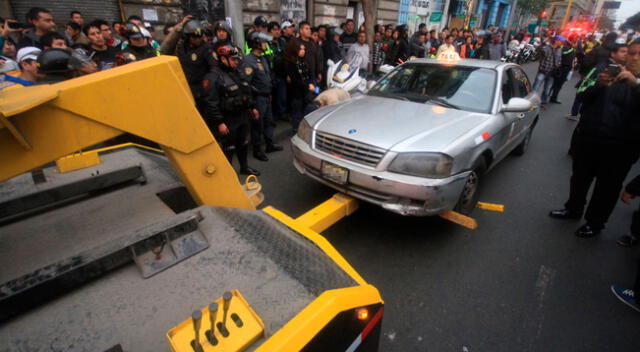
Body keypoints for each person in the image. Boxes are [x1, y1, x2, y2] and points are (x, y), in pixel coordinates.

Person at [549, 40, 640, 238]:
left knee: (606, 189)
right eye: (630, 53)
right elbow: (581, 94)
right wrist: (599, 85)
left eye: (637, 54)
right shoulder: (603, 70)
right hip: (589, 139)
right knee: (579, 179)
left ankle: (595, 222)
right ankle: (573, 209)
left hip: (621, 149)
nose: (632, 58)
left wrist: (635, 85)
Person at [202, 44, 260, 176]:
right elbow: (211, 103)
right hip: (227, 119)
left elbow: (245, 92)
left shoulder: (235, 72)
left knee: (243, 142)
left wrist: (252, 108)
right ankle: (228, 174)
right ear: (223, 59)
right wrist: (219, 122)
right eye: (233, 59)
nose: (236, 62)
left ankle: (244, 167)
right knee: (229, 147)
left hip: (241, 115)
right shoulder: (212, 77)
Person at [241, 31, 282, 161]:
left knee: (269, 122)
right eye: (263, 42)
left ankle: (269, 144)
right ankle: (257, 150)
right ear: (256, 43)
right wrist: (252, 104)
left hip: (266, 97)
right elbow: (246, 83)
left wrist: (268, 93)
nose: (265, 44)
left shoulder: (262, 58)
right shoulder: (248, 60)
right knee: (257, 124)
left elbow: (266, 77)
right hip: (257, 98)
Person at [160, 17, 214, 111]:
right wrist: (179, 27)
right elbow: (164, 50)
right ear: (187, 36)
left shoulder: (207, 49)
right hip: (183, 89)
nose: (197, 39)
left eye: (199, 36)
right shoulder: (180, 47)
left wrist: (208, 84)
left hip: (202, 93)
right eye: (194, 37)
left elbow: (214, 68)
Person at [285, 40, 316, 134]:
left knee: (307, 113)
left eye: (304, 49)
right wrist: (307, 86)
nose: (303, 51)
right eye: (300, 49)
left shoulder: (304, 62)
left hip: (306, 92)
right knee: (297, 113)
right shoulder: (292, 64)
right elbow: (295, 80)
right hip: (297, 93)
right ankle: (296, 131)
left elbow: (309, 74)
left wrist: (311, 83)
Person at [532, 36, 561, 105]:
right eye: (560, 41)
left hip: (552, 73)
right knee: (535, 87)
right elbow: (538, 50)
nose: (561, 43)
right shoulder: (547, 48)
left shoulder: (559, 50)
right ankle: (531, 101)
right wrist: (543, 43)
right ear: (556, 41)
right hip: (543, 71)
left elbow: (559, 60)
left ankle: (543, 102)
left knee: (547, 90)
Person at [549, 37, 576, 104]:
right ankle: (552, 97)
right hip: (562, 68)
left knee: (557, 84)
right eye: (575, 40)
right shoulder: (566, 48)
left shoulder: (569, 48)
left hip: (565, 69)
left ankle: (552, 96)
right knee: (557, 84)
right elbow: (562, 55)